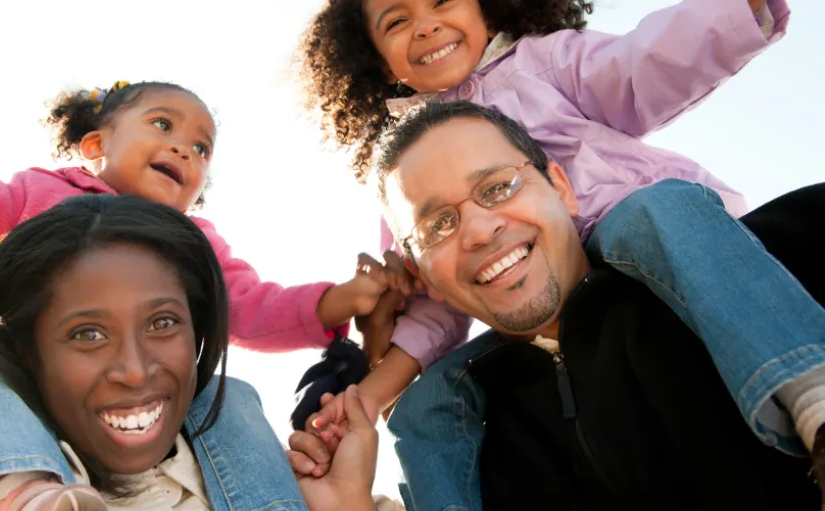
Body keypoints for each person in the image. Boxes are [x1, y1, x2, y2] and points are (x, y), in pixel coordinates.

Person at [299, 0, 825, 481]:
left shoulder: (543, 62)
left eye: (443, 0)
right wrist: (369, 394)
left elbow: (643, 65)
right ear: (374, 57)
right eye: (395, 22)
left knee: (654, 208)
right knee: (425, 406)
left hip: (645, 247)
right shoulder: (403, 174)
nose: (424, 25)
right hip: (534, 308)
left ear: (485, 3)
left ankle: (808, 391)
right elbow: (440, 299)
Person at [0, 80, 409, 509]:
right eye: (162, 124)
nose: (184, 148)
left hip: (156, 413)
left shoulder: (195, 242)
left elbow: (254, 307)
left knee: (233, 396)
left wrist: (346, 298)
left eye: (201, 147)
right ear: (96, 144)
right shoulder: (36, 197)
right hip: (28, 388)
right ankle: (23, 492)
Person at [294, 100, 825, 509]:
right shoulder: (460, 442)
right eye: (438, 225)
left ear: (562, 187)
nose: (480, 229)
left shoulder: (786, 250)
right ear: (423, 275)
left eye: (498, 187)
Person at [0, 194, 319, 510]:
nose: (135, 371)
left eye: (163, 323)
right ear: (29, 351)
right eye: (88, 334)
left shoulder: (284, 478)